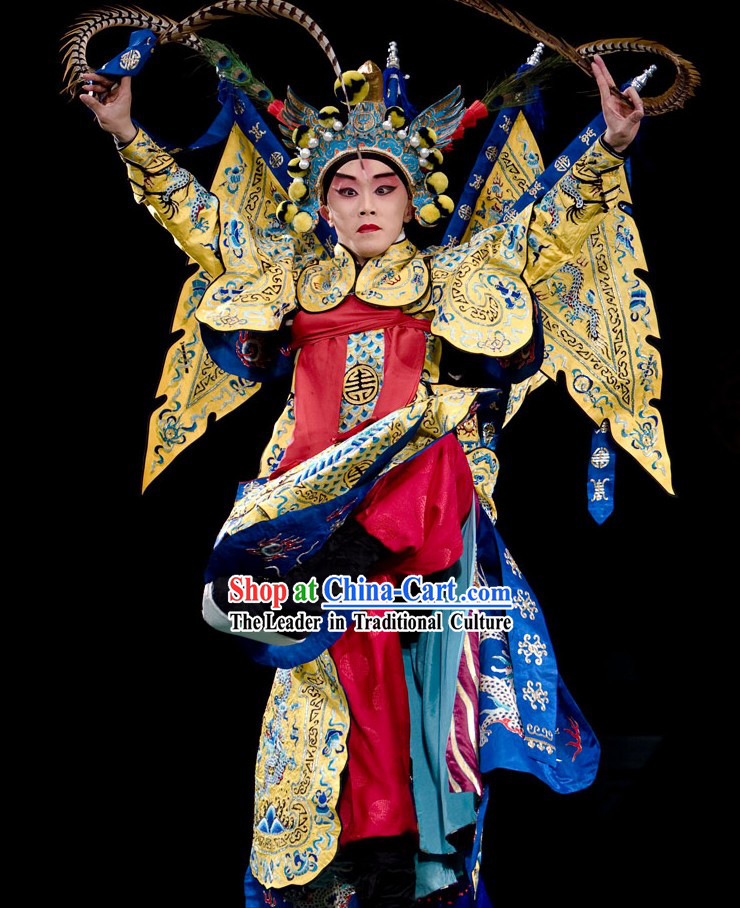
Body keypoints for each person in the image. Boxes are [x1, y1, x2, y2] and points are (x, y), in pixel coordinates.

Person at [79, 47, 642, 908]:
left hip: (412, 514)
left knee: (410, 685)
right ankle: (339, 863)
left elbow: (544, 223)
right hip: (309, 519)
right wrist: (127, 135)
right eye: (348, 189)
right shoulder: (292, 276)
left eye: (385, 188)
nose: (367, 204)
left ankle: (413, 863)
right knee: (322, 694)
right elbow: (203, 221)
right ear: (323, 201)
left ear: (414, 199)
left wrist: (606, 145)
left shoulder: (444, 276)